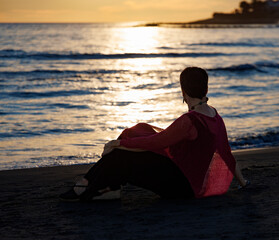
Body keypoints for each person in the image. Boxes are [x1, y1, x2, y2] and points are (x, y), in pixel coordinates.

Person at [60, 67, 249, 202]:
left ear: (183, 91)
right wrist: (243, 184)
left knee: (121, 153)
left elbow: (156, 142)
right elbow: (227, 154)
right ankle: (107, 187)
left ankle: (88, 185)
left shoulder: (190, 120)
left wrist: (117, 144)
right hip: (190, 181)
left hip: (183, 188)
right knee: (137, 130)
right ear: (206, 89)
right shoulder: (215, 116)